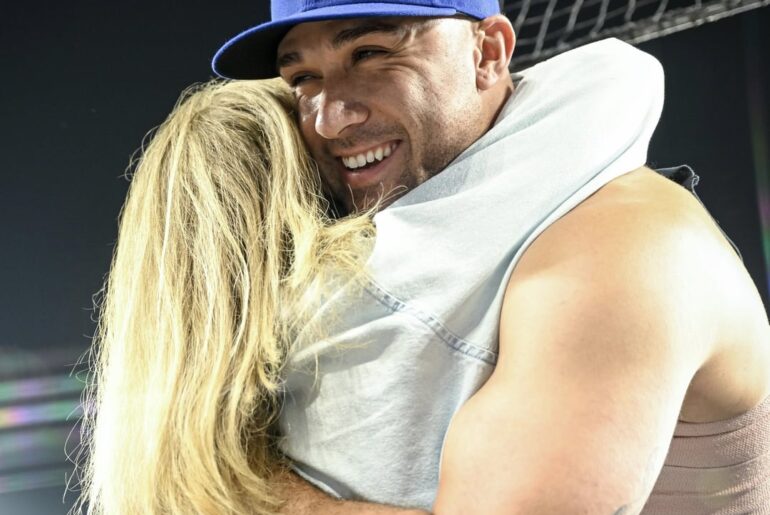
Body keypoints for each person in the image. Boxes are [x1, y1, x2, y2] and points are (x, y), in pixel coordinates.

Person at [209, 1, 770, 514]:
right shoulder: (462, 241)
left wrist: (232, 483)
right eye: (303, 77)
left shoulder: (625, 245)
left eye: (371, 53)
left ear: (489, 53)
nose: (331, 120)